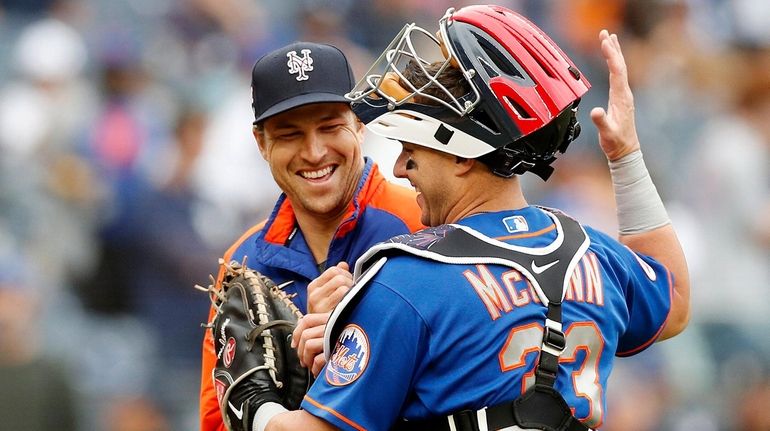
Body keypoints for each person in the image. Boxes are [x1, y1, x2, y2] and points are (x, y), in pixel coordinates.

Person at [247, 5, 690, 431]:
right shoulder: (590, 250)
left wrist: (257, 403)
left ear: (460, 155)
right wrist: (626, 159)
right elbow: (674, 303)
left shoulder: (405, 283)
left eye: (411, 149)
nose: (400, 168)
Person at [198, 42, 424, 431]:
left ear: (359, 124)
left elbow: (467, 385)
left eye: (330, 126)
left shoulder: (423, 224)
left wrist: (353, 343)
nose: (315, 151)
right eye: (289, 134)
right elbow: (216, 420)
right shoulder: (244, 263)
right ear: (261, 143)